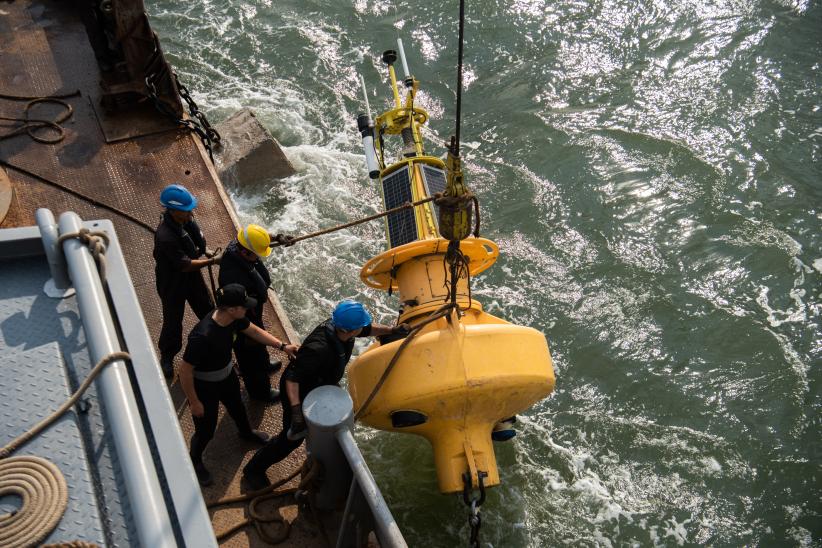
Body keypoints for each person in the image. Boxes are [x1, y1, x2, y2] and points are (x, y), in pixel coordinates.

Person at [242, 300, 409, 490]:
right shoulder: (318, 349)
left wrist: (391, 331)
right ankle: (254, 469)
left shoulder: (341, 328)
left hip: (319, 382)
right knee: (291, 438)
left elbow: (368, 329)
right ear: (350, 330)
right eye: (360, 326)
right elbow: (291, 379)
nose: (363, 328)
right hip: (300, 391)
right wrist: (296, 412)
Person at [179, 283, 299, 486]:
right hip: (205, 386)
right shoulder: (202, 336)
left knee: (237, 407)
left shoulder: (234, 319)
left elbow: (253, 331)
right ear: (232, 309)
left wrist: (283, 346)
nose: (247, 308)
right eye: (243, 306)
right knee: (206, 429)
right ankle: (196, 459)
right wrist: (194, 401)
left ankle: (246, 432)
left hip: (227, 376)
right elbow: (185, 370)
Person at [153, 184, 219, 379]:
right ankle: (167, 356)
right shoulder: (165, 236)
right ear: (173, 211)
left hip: (192, 277)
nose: (191, 212)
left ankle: (214, 345)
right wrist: (213, 261)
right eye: (186, 210)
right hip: (173, 282)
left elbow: (194, 247)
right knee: (173, 321)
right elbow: (185, 265)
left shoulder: (185, 220)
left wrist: (204, 252)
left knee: (208, 311)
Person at [218, 224, 282, 403]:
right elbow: (235, 309)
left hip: (253, 310)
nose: (259, 257)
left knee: (260, 348)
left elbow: (257, 237)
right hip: (242, 317)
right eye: (257, 253)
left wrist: (276, 237)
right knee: (250, 355)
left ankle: (265, 364)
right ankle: (260, 392)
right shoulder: (232, 274)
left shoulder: (240, 247)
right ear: (246, 253)